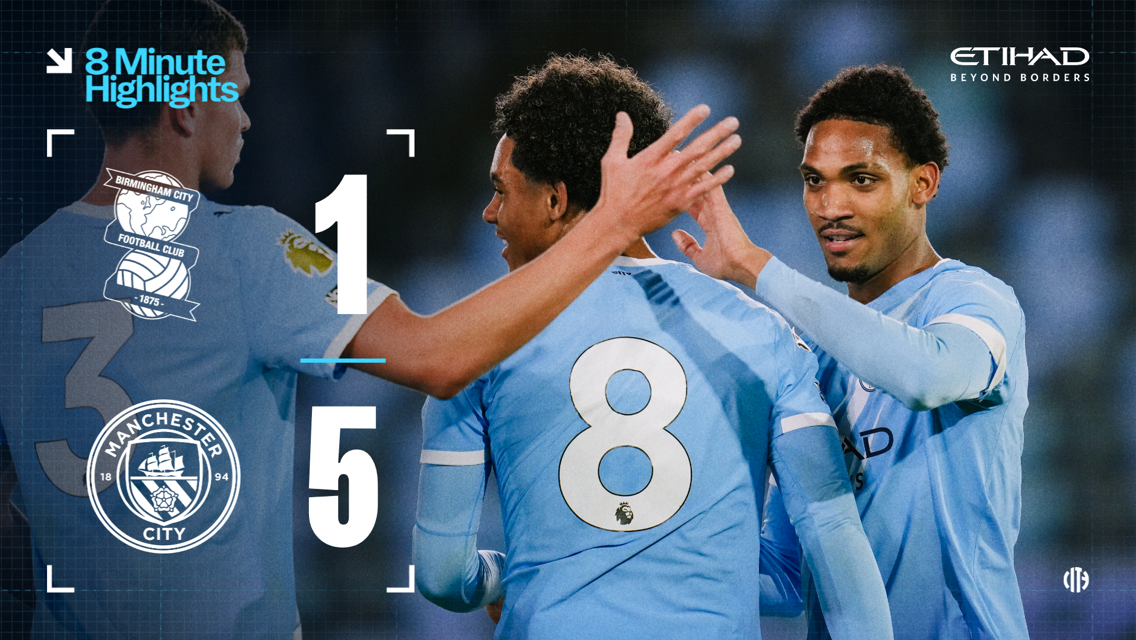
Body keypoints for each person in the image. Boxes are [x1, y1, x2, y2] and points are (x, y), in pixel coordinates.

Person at [0, 1, 741, 637]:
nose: (249, 118)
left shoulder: (17, 273)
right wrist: (609, 226)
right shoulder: (241, 248)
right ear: (186, 108)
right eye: (233, 94)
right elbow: (434, 358)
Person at [411, 54, 892, 639]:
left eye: (500, 190)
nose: (489, 213)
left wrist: (511, 579)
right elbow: (823, 546)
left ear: (556, 200)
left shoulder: (472, 345)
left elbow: (441, 575)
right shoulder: (763, 334)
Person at [673, 64, 1028, 639]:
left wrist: (754, 267)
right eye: (815, 180)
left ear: (924, 183)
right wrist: (602, 571)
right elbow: (786, 576)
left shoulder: (974, 300)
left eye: (860, 179)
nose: (829, 205)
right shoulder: (807, 353)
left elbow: (925, 375)